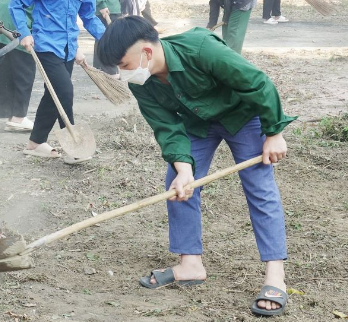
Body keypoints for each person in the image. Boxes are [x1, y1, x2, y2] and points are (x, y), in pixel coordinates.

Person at [96, 16, 294, 318]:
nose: (123, 74)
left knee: (258, 185)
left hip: (241, 117)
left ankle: (275, 276)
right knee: (178, 185)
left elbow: (256, 82)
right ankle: (190, 264)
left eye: (124, 65)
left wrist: (274, 133)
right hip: (196, 124)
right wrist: (184, 169)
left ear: (147, 53)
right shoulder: (143, 81)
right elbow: (166, 126)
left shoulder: (201, 48)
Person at [9, 0, 105, 158]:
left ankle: (35, 143)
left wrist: (109, 38)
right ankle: (73, 146)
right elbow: (17, 2)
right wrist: (24, 32)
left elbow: (89, 17)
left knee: (52, 94)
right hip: (46, 45)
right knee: (64, 91)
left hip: (68, 48)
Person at [0, 0, 36, 132]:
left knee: (3, 72)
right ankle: (18, 118)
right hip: (16, 26)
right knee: (24, 73)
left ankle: (7, 112)